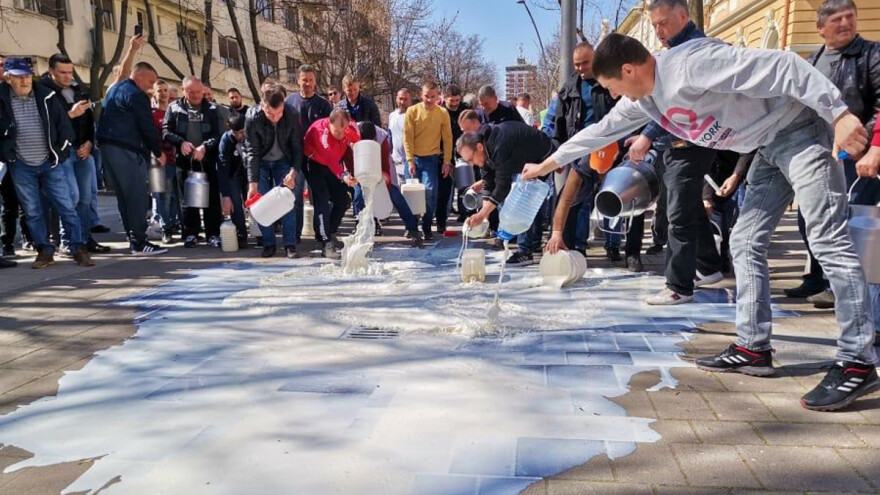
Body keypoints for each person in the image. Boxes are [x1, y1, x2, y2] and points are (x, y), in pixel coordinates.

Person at [522, 33, 877, 411]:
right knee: (743, 241)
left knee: (828, 241)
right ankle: (753, 348)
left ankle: (858, 360)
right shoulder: (644, 99)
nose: (613, 95)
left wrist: (838, 113)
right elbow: (599, 131)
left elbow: (785, 65)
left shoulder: (692, 66)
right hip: (769, 146)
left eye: (612, 86)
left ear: (629, 70)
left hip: (801, 130)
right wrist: (546, 165)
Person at [618, 0, 725, 304]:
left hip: (688, 143)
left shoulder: (694, 51)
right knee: (687, 206)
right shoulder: (671, 54)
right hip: (677, 143)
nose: (659, 31)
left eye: (663, 23)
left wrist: (647, 137)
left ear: (683, 16)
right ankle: (709, 266)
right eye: (653, 26)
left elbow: (682, 106)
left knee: (678, 213)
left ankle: (678, 285)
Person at [786, 0, 880, 308]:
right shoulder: (812, 62)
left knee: (848, 220)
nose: (845, 24)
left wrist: (868, 144)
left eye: (850, 17)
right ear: (821, 27)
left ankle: (841, 286)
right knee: (809, 218)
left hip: (856, 154)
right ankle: (816, 277)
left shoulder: (871, 55)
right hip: (817, 152)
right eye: (837, 19)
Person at [548, 40, 644, 271]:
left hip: (616, 146)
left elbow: (634, 110)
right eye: (577, 65)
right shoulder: (568, 89)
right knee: (570, 199)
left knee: (632, 198)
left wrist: (638, 139)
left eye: (585, 63)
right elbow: (559, 122)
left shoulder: (610, 80)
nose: (580, 69)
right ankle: (566, 248)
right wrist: (558, 154)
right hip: (583, 150)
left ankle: (632, 253)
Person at [0, 57, 93, 268]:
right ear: (8, 79)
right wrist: (7, 155)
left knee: (67, 206)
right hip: (21, 164)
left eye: (26, 76)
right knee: (32, 211)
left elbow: (64, 126)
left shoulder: (46, 95)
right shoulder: (2, 99)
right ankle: (44, 250)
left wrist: (60, 153)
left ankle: (79, 248)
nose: (24, 81)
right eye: (18, 77)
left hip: (50, 162)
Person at [39, 54, 111, 257]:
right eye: (62, 73)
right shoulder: (43, 91)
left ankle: (84, 239)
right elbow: (45, 124)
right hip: (60, 152)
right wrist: (70, 114)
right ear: (51, 71)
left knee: (86, 197)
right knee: (70, 197)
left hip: (83, 149)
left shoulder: (78, 89)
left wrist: (89, 142)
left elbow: (88, 119)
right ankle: (68, 241)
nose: (67, 76)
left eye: (70, 72)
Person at [460, 121, 555, 265]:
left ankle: (525, 251)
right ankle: (533, 245)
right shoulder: (484, 150)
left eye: (471, 159)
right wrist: (485, 217)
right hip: (523, 161)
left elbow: (502, 187)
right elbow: (488, 183)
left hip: (543, 156)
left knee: (522, 204)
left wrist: (482, 214)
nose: (471, 164)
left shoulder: (498, 146)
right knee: (518, 201)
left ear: (479, 147)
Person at [97, 62, 168, 255]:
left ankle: (133, 237)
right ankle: (139, 241)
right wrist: (157, 151)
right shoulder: (137, 95)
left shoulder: (114, 90)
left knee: (124, 197)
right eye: (151, 81)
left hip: (109, 148)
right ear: (139, 77)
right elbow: (146, 126)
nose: (151, 86)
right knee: (137, 195)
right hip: (126, 149)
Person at [162, 76, 223, 249]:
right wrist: (180, 142)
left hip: (207, 159)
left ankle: (213, 234)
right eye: (191, 92)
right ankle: (190, 234)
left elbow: (219, 135)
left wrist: (205, 146)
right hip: (184, 160)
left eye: (199, 92)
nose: (196, 95)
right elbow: (166, 131)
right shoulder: (174, 108)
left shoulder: (212, 108)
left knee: (211, 199)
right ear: (183, 90)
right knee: (188, 200)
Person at [243, 80, 302, 259]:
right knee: (261, 203)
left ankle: (290, 244)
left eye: (279, 113)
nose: (275, 117)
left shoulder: (291, 114)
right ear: (263, 105)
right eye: (270, 113)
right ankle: (269, 244)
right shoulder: (252, 117)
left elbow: (297, 146)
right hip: (260, 162)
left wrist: (293, 172)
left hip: (283, 160)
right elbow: (251, 151)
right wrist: (252, 184)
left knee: (287, 201)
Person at [353, 121, 423, 246]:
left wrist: (385, 175)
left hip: (381, 168)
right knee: (359, 197)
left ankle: (413, 229)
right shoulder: (352, 134)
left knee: (395, 196)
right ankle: (361, 230)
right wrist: (353, 174)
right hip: (360, 169)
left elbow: (385, 160)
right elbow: (349, 157)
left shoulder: (382, 137)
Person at [285, 64, 334, 241]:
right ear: (298, 80)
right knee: (295, 197)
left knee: (320, 197)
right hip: (295, 158)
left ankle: (321, 234)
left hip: (316, 159)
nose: (307, 83)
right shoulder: (289, 102)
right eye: (304, 80)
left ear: (315, 82)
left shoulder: (324, 105)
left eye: (311, 80)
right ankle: (295, 235)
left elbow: (330, 131)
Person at [303, 109, 359, 259]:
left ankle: (330, 231)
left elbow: (359, 143)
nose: (341, 134)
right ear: (329, 123)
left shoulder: (348, 127)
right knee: (322, 199)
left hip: (333, 165)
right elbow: (330, 160)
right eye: (337, 131)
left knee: (343, 199)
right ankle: (324, 241)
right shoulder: (322, 134)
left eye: (344, 130)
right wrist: (344, 176)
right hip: (314, 164)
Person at [403, 80, 453, 241]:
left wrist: (447, 161)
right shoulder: (412, 111)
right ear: (420, 95)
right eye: (426, 96)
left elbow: (447, 139)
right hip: (414, 158)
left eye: (433, 96)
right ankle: (411, 227)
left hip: (431, 159)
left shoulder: (442, 113)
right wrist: (410, 160)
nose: (430, 100)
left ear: (438, 96)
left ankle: (426, 226)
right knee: (410, 195)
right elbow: (407, 138)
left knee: (430, 193)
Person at [150, 80, 182, 244]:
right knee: (161, 196)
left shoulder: (174, 113)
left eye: (165, 90)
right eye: (159, 91)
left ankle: (175, 223)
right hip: (158, 161)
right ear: (154, 93)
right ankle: (165, 228)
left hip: (174, 159)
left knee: (174, 196)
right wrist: (156, 153)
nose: (163, 93)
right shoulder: (151, 114)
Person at [441, 84, 472, 226]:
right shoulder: (440, 111)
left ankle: (464, 212)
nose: (454, 104)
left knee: (464, 183)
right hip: (444, 151)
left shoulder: (465, 110)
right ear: (444, 98)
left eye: (457, 101)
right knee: (446, 186)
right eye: (451, 101)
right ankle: (443, 214)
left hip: (462, 150)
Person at [218, 113, 249, 249]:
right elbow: (222, 168)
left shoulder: (250, 136)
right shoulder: (226, 141)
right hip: (232, 173)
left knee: (253, 201)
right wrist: (226, 194)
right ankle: (241, 233)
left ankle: (260, 233)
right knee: (235, 201)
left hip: (248, 172)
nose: (240, 136)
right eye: (238, 133)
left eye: (243, 132)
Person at [389, 88, 412, 181]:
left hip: (409, 163)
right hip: (395, 162)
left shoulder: (413, 116)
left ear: (410, 100)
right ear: (396, 99)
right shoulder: (392, 116)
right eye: (400, 99)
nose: (402, 102)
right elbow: (390, 137)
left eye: (406, 99)